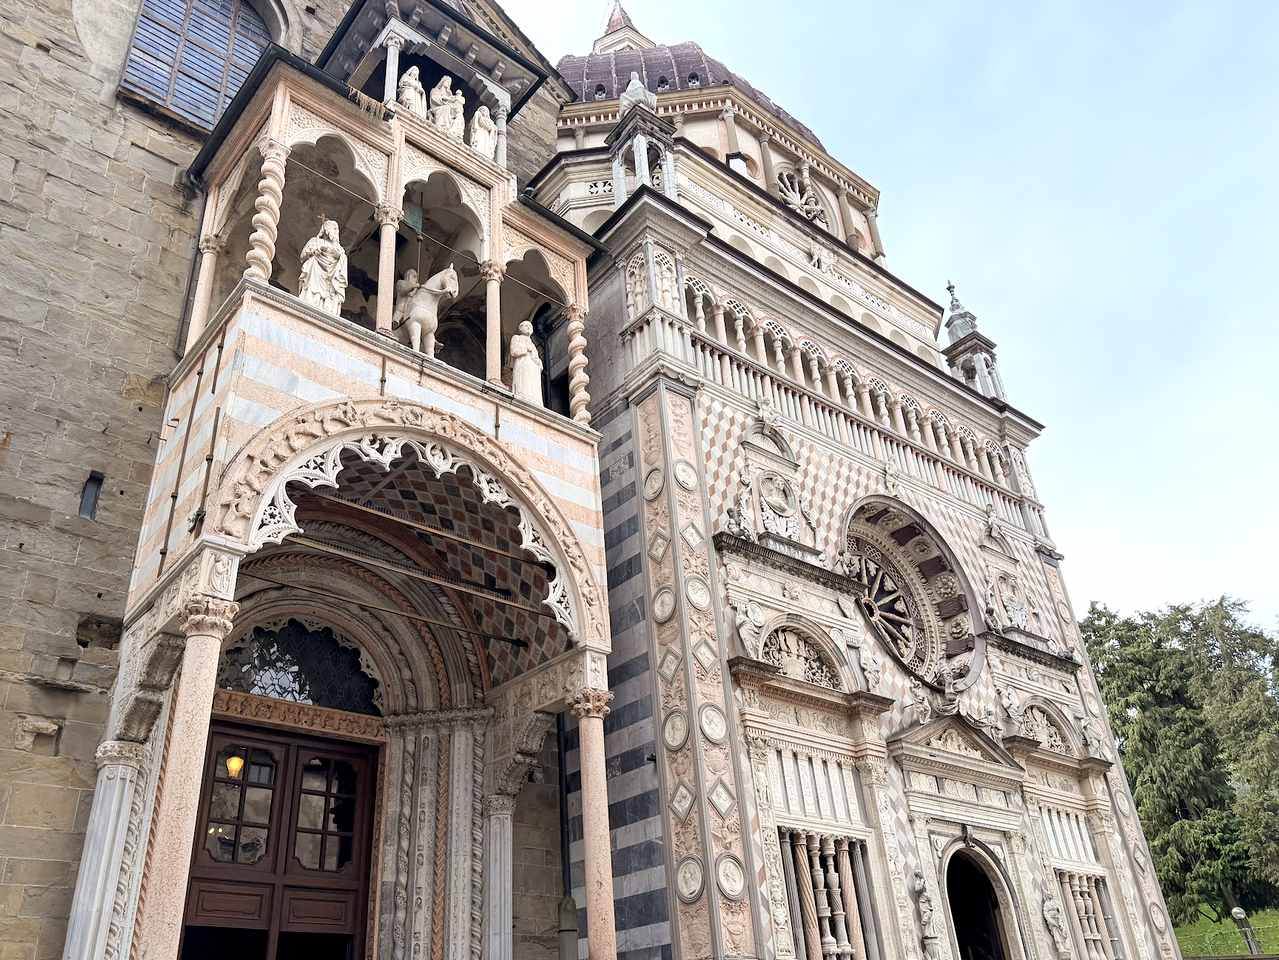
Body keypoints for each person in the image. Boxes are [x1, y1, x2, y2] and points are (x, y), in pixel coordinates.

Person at [297, 219, 347, 316]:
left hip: (331, 277)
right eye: (334, 229)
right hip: (315, 274)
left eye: (337, 229)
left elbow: (343, 259)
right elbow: (303, 256)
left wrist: (338, 255)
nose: (336, 232)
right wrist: (314, 251)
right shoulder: (315, 241)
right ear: (326, 230)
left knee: (329, 302)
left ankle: (329, 307)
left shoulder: (339, 249)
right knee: (312, 262)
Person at [508, 320, 543, 406]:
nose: (528, 327)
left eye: (530, 326)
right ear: (520, 328)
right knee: (523, 385)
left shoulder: (533, 344)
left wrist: (539, 363)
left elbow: (536, 357)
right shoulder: (516, 338)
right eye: (526, 325)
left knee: (533, 388)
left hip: (533, 369)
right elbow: (514, 352)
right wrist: (526, 349)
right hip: (522, 365)